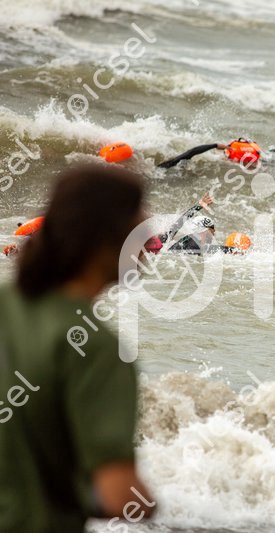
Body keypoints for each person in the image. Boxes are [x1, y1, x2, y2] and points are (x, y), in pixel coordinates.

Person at [0, 164, 155, 531]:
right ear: (104, 239)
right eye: (138, 222)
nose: (149, 238)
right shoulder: (96, 348)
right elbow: (119, 495)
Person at [157, 138, 275, 169]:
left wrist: (215, 145)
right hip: (270, 153)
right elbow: (194, 151)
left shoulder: (235, 157)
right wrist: (215, 145)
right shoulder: (233, 152)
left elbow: (194, 151)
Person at [155, 193, 249, 255]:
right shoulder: (196, 244)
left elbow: (180, 222)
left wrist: (198, 206)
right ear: (204, 229)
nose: (213, 234)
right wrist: (237, 250)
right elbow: (218, 249)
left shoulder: (185, 240)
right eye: (212, 230)